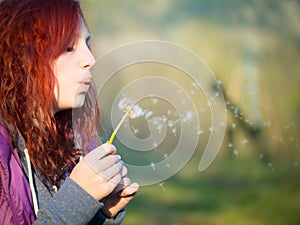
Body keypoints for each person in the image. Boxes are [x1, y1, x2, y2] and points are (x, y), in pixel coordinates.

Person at [0, 0, 139, 224]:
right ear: (22, 55)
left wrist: (99, 214)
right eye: (68, 47)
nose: (90, 60)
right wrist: (78, 198)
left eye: (87, 44)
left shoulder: (68, 145)